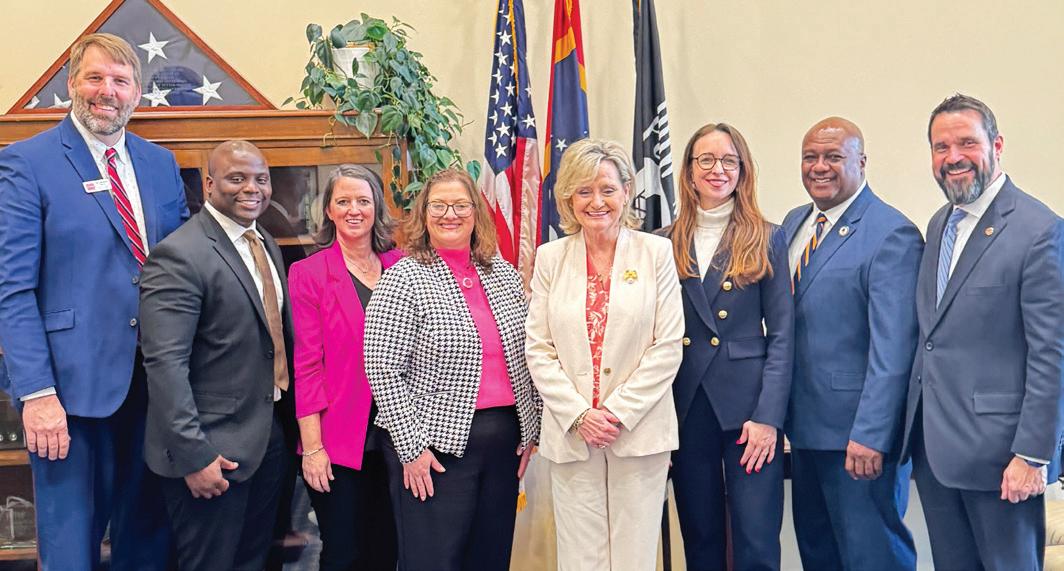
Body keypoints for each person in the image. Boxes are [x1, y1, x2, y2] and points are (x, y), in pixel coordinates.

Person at [0, 33, 188, 570]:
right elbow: (12, 289)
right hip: (69, 393)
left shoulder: (160, 164)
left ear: (137, 93)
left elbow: (180, 271)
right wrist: (37, 393)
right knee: (70, 549)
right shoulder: (26, 162)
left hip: (155, 386)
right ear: (71, 84)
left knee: (148, 543)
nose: (108, 91)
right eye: (95, 78)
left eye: (121, 81)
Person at [900, 93, 1064, 570]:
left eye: (966, 143)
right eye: (941, 147)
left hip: (1003, 460)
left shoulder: (1038, 230)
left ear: (997, 145)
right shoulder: (940, 224)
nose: (953, 157)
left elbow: (1052, 354)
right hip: (937, 454)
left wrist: (1032, 456)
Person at [363, 168, 540, 571]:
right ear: (424, 215)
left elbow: (527, 356)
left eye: (460, 205)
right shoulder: (403, 277)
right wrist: (412, 449)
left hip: (504, 445)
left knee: (491, 559)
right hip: (434, 450)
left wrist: (531, 431)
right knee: (434, 561)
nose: (450, 215)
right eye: (438, 206)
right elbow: (381, 368)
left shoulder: (502, 274)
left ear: (476, 212)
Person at [526, 139, 684, 571]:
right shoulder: (550, 258)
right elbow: (538, 348)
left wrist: (615, 412)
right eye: (584, 191)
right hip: (572, 433)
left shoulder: (656, 253)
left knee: (634, 556)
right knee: (580, 558)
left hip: (638, 432)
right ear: (568, 197)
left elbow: (668, 346)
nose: (596, 202)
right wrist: (580, 414)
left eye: (607, 189)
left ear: (627, 191)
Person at [139, 140, 293, 571]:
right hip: (211, 450)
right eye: (237, 178)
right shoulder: (179, 254)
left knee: (254, 562)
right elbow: (165, 365)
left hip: (266, 437)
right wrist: (194, 454)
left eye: (261, 179)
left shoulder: (265, 243)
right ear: (209, 185)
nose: (252, 188)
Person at [782, 117, 921, 570]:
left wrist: (871, 434)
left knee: (872, 557)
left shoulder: (891, 233)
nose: (819, 167)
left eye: (833, 157)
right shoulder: (795, 223)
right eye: (810, 157)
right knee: (819, 556)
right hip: (804, 433)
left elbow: (893, 350)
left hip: (857, 442)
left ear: (862, 162)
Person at [660, 124, 793, 571]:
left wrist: (769, 418)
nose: (718, 169)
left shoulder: (767, 237)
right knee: (700, 538)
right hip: (686, 407)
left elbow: (782, 336)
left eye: (729, 161)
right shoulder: (662, 242)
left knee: (756, 538)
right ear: (688, 171)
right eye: (706, 160)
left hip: (749, 411)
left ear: (742, 170)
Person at [288, 165, 401, 570]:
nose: (354, 210)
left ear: (377, 208)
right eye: (344, 201)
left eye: (363, 201)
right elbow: (307, 366)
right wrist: (313, 448)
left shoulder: (402, 266)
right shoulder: (308, 273)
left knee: (389, 551)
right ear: (329, 211)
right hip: (337, 440)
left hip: (399, 439)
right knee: (344, 554)